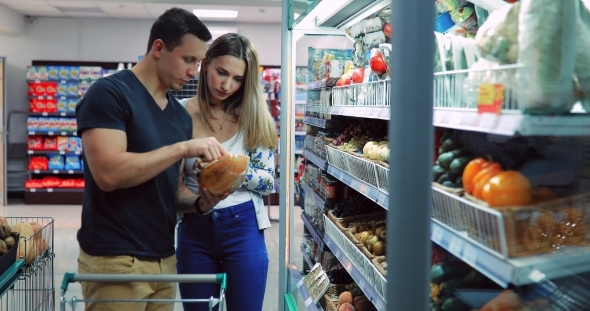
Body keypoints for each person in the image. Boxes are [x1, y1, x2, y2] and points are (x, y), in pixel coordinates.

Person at [75, 8, 229, 311]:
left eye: (198, 63)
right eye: (188, 60)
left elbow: (169, 193)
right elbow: (108, 174)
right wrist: (182, 149)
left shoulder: (178, 115)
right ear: (159, 48)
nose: (193, 72)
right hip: (116, 260)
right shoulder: (109, 94)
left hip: (164, 260)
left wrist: (199, 202)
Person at [175, 33, 278, 311]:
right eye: (221, 72)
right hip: (194, 227)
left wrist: (230, 168)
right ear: (205, 64)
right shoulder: (180, 114)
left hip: (243, 226)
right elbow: (171, 187)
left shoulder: (253, 116)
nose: (226, 85)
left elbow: (268, 181)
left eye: (238, 79)